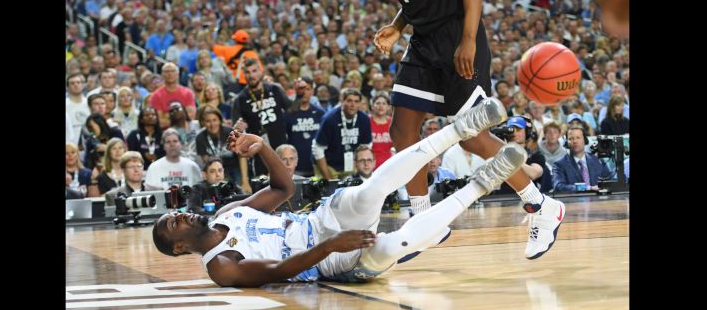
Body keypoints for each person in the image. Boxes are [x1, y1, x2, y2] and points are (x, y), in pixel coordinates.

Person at [357, 0, 563, 259]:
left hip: (456, 37)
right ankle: (425, 223)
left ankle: (541, 206)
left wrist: (468, 40)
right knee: (403, 130)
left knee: (471, 138)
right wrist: (397, 25)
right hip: (423, 41)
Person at [152, 99, 554, 286]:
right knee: (388, 246)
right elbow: (279, 271)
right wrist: (330, 248)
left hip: (318, 221)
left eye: (176, 215)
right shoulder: (221, 267)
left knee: (371, 189)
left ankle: (457, 129)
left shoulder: (228, 212)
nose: (181, 216)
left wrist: (263, 147)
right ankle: (484, 182)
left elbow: (283, 187)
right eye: (174, 224)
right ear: (179, 248)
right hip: (324, 261)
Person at [231, 58, 291, 177]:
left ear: (261, 72)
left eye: (254, 71)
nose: (251, 75)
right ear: (244, 75)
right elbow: (236, 130)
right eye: (247, 72)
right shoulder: (239, 99)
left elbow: (291, 110)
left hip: (282, 146)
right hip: (259, 153)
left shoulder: (275, 89)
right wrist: (238, 128)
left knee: (287, 184)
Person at [312, 88, 372, 179]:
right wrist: (329, 178)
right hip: (329, 165)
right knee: (329, 191)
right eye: (349, 101)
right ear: (342, 101)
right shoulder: (329, 119)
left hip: (351, 165)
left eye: (356, 101)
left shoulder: (364, 119)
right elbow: (317, 149)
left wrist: (358, 166)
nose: (353, 105)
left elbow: (367, 146)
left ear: (360, 104)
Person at [195, 105, 250, 193]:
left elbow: (241, 156)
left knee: (241, 194)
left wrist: (245, 180)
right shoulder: (200, 138)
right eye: (208, 121)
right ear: (203, 123)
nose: (212, 124)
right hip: (216, 170)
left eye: (214, 120)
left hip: (234, 168)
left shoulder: (230, 132)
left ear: (220, 120)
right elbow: (207, 163)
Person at [283, 77, 325, 177]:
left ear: (312, 91)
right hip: (294, 168)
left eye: (307, 89)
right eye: (301, 89)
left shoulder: (320, 113)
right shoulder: (288, 114)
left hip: (317, 167)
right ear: (296, 91)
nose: (304, 92)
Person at [552, 126, 612, 192]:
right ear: (566, 142)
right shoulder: (559, 164)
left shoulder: (597, 160)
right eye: (571, 138)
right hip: (573, 201)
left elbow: (610, 180)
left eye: (578, 138)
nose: (575, 141)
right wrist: (588, 188)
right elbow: (558, 186)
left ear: (585, 140)